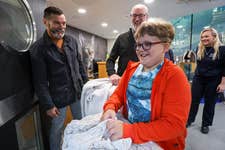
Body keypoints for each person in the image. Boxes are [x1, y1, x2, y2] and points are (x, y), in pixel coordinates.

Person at [101, 18, 191, 150]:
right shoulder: (132, 68)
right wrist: (110, 107)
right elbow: (119, 95)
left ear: (165, 46)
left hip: (158, 143)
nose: (140, 50)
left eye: (147, 44)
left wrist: (130, 131)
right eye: (138, 44)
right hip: (129, 134)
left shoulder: (175, 76)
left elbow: (174, 126)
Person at [30, 6, 88, 150]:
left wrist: (87, 86)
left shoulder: (72, 41)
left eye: (63, 23)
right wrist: (48, 105)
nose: (61, 27)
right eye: (57, 23)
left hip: (77, 91)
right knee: (56, 129)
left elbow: (80, 65)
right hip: (57, 98)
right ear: (45, 22)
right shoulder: (38, 48)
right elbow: (40, 81)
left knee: (82, 123)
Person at [186, 27, 225, 134]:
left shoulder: (222, 49)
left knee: (210, 103)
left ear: (214, 36)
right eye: (202, 37)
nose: (204, 39)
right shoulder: (199, 48)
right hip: (199, 78)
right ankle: (189, 120)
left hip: (214, 80)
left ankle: (205, 124)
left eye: (206, 36)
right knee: (193, 100)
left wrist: (222, 83)